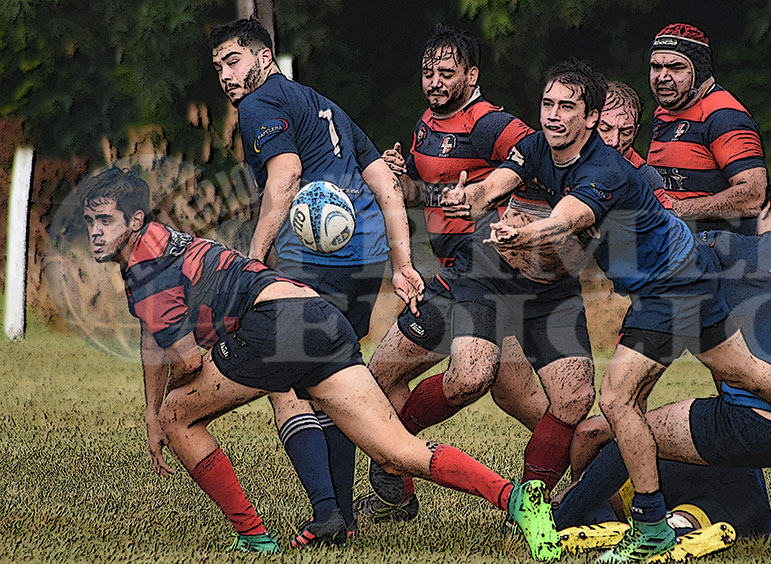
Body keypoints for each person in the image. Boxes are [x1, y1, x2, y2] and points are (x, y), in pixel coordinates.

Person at [80, 166, 562, 561]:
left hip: (271, 324)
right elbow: (153, 331)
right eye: (89, 222)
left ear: (135, 220)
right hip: (317, 313)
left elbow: (185, 361)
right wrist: (151, 404)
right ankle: (518, 499)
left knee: (178, 416)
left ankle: (254, 537)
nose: (95, 232)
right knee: (396, 451)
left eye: (104, 220)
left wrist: (162, 408)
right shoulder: (164, 240)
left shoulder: (145, 271)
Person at [441, 59, 771, 563]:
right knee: (744, 370)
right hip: (689, 272)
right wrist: (469, 197)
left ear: (589, 117)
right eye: (548, 104)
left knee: (618, 400)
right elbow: (495, 184)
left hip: (670, 288)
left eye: (567, 107)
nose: (553, 115)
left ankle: (652, 526)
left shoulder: (606, 171)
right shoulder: (537, 145)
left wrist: (521, 234)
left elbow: (563, 222)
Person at [359, 27, 597, 523]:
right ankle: (396, 483)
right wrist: (398, 177)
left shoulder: (490, 123)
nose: (435, 82)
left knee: (500, 386)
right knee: (508, 393)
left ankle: (396, 458)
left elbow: (540, 161)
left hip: (485, 267)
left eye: (447, 73)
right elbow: (426, 194)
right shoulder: (427, 124)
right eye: (428, 73)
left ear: (472, 75)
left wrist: (504, 206)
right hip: (459, 270)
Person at [209, 18, 424, 545]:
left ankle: (329, 513)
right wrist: (402, 263)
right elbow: (386, 185)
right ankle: (342, 518)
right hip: (364, 262)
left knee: (285, 382)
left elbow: (284, 178)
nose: (226, 75)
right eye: (218, 67)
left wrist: (253, 262)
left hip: (312, 264)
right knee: (334, 382)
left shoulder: (259, 104)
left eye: (233, 60)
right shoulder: (322, 104)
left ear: (264, 57)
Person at [554, 172, 771, 554]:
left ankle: (562, 518)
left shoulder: (734, 247)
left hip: (748, 419)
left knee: (633, 436)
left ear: (767, 207)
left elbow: (674, 246)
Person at [645, 23, 767, 235]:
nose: (662, 77)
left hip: (720, 246)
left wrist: (681, 209)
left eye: (675, 68)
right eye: (656, 67)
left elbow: (753, 195)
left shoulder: (724, 116)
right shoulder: (664, 112)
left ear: (699, 72)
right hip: (671, 241)